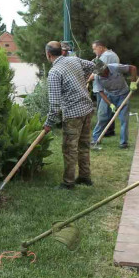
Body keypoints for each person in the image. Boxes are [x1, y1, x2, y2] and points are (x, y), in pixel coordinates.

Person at [43, 41, 97, 190]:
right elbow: (96, 66)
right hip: (87, 109)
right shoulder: (74, 60)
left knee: (69, 149)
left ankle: (68, 182)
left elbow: (55, 104)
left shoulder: (54, 72)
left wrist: (48, 123)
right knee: (84, 145)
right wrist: (84, 79)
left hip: (73, 115)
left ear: (48, 54)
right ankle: (85, 177)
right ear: (61, 51)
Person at [90, 59, 138, 149]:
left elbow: (133, 68)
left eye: (102, 72)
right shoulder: (97, 77)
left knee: (124, 120)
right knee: (102, 118)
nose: (102, 75)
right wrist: (110, 104)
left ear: (105, 68)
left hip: (123, 95)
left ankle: (123, 143)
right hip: (108, 95)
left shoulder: (116, 67)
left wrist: (133, 82)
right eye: (99, 73)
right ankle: (95, 139)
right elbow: (101, 92)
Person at [90, 40, 120, 137]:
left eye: (95, 49)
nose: (94, 51)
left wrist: (86, 80)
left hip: (103, 87)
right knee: (109, 109)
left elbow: (97, 72)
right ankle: (110, 130)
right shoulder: (112, 54)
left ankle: (105, 131)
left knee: (102, 111)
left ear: (101, 47)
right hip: (111, 86)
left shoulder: (106, 56)